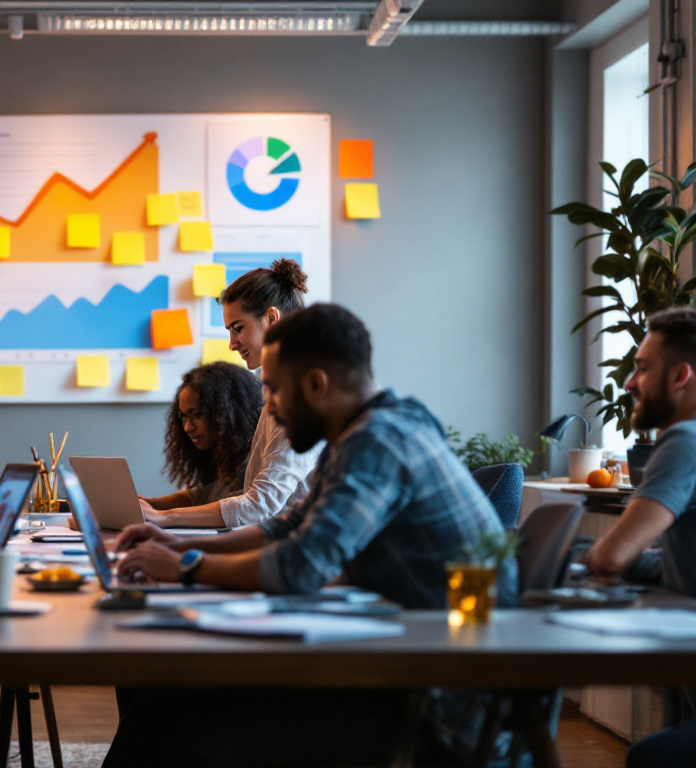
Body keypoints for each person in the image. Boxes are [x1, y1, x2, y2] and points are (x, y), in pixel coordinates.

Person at [103, 304, 517, 768]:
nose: (269, 408)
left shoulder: (377, 441)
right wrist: (180, 544)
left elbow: (299, 566)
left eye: (275, 391)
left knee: (157, 723)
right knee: (159, 701)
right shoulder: (380, 424)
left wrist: (185, 568)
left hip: (431, 711)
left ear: (317, 384)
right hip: (402, 667)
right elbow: (288, 524)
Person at [139, 259, 322, 528]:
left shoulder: (298, 397)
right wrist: (156, 509)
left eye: (238, 328)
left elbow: (262, 504)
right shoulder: (279, 390)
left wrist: (163, 518)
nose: (232, 344)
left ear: (271, 319)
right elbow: (252, 499)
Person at [585, 307, 696, 598]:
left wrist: (583, 555)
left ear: (680, 375)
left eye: (643, 368)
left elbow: (611, 557)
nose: (629, 383)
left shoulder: (685, 440)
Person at [140, 362, 263, 512]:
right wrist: (151, 504)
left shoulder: (255, 459)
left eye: (198, 414)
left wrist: (163, 517)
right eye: (183, 417)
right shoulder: (225, 456)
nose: (187, 427)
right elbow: (199, 497)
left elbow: (232, 510)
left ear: (226, 412)